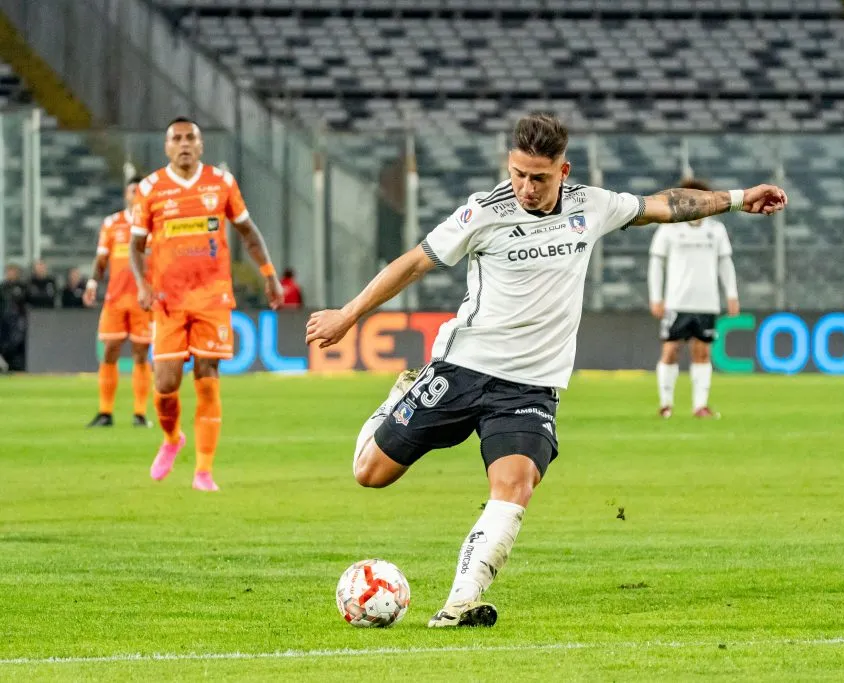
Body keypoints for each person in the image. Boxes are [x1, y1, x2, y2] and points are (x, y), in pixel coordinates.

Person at [305, 113, 787, 627]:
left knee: (515, 485)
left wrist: (738, 198)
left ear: (564, 170)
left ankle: (459, 602)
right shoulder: (482, 214)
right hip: (464, 366)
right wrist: (349, 315)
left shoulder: (591, 205)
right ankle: (401, 394)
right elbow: (414, 262)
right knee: (370, 474)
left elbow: (666, 205)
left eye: (538, 177)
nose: (526, 188)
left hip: (530, 385)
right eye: (517, 174)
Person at [130, 117, 283, 492]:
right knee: (165, 384)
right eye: (176, 138)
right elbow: (135, 246)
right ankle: (171, 439)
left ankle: (203, 471)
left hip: (213, 296)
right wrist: (143, 285)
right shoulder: (150, 188)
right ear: (167, 147)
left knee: (207, 375)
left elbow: (248, 232)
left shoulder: (222, 183)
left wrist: (269, 274)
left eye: (190, 138)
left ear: (201, 145)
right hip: (168, 300)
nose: (184, 144)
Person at [648, 177, 739, 419]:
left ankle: (700, 406)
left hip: (707, 302)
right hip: (677, 302)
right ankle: (666, 404)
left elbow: (725, 263)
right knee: (670, 350)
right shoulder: (669, 227)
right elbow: (656, 263)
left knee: (702, 353)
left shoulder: (716, 230)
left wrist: (732, 294)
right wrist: (656, 297)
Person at [84, 176, 154, 428]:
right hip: (115, 298)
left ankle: (139, 414)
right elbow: (102, 258)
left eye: (139, 190)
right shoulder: (112, 223)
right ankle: (105, 412)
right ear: (126, 194)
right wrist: (92, 283)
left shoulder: (153, 224)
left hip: (142, 299)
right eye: (131, 190)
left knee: (141, 354)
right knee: (110, 351)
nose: (135, 194)